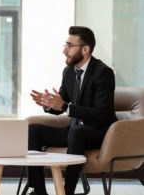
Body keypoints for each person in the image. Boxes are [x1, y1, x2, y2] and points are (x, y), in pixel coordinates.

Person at [28, 26, 117, 195]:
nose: (64, 50)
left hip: (99, 133)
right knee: (33, 130)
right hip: (75, 132)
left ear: (85, 49)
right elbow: (61, 103)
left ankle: (66, 192)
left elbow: (102, 114)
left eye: (69, 46)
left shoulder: (103, 73)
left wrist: (64, 106)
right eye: (65, 45)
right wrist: (48, 104)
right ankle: (38, 190)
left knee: (77, 131)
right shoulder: (69, 72)